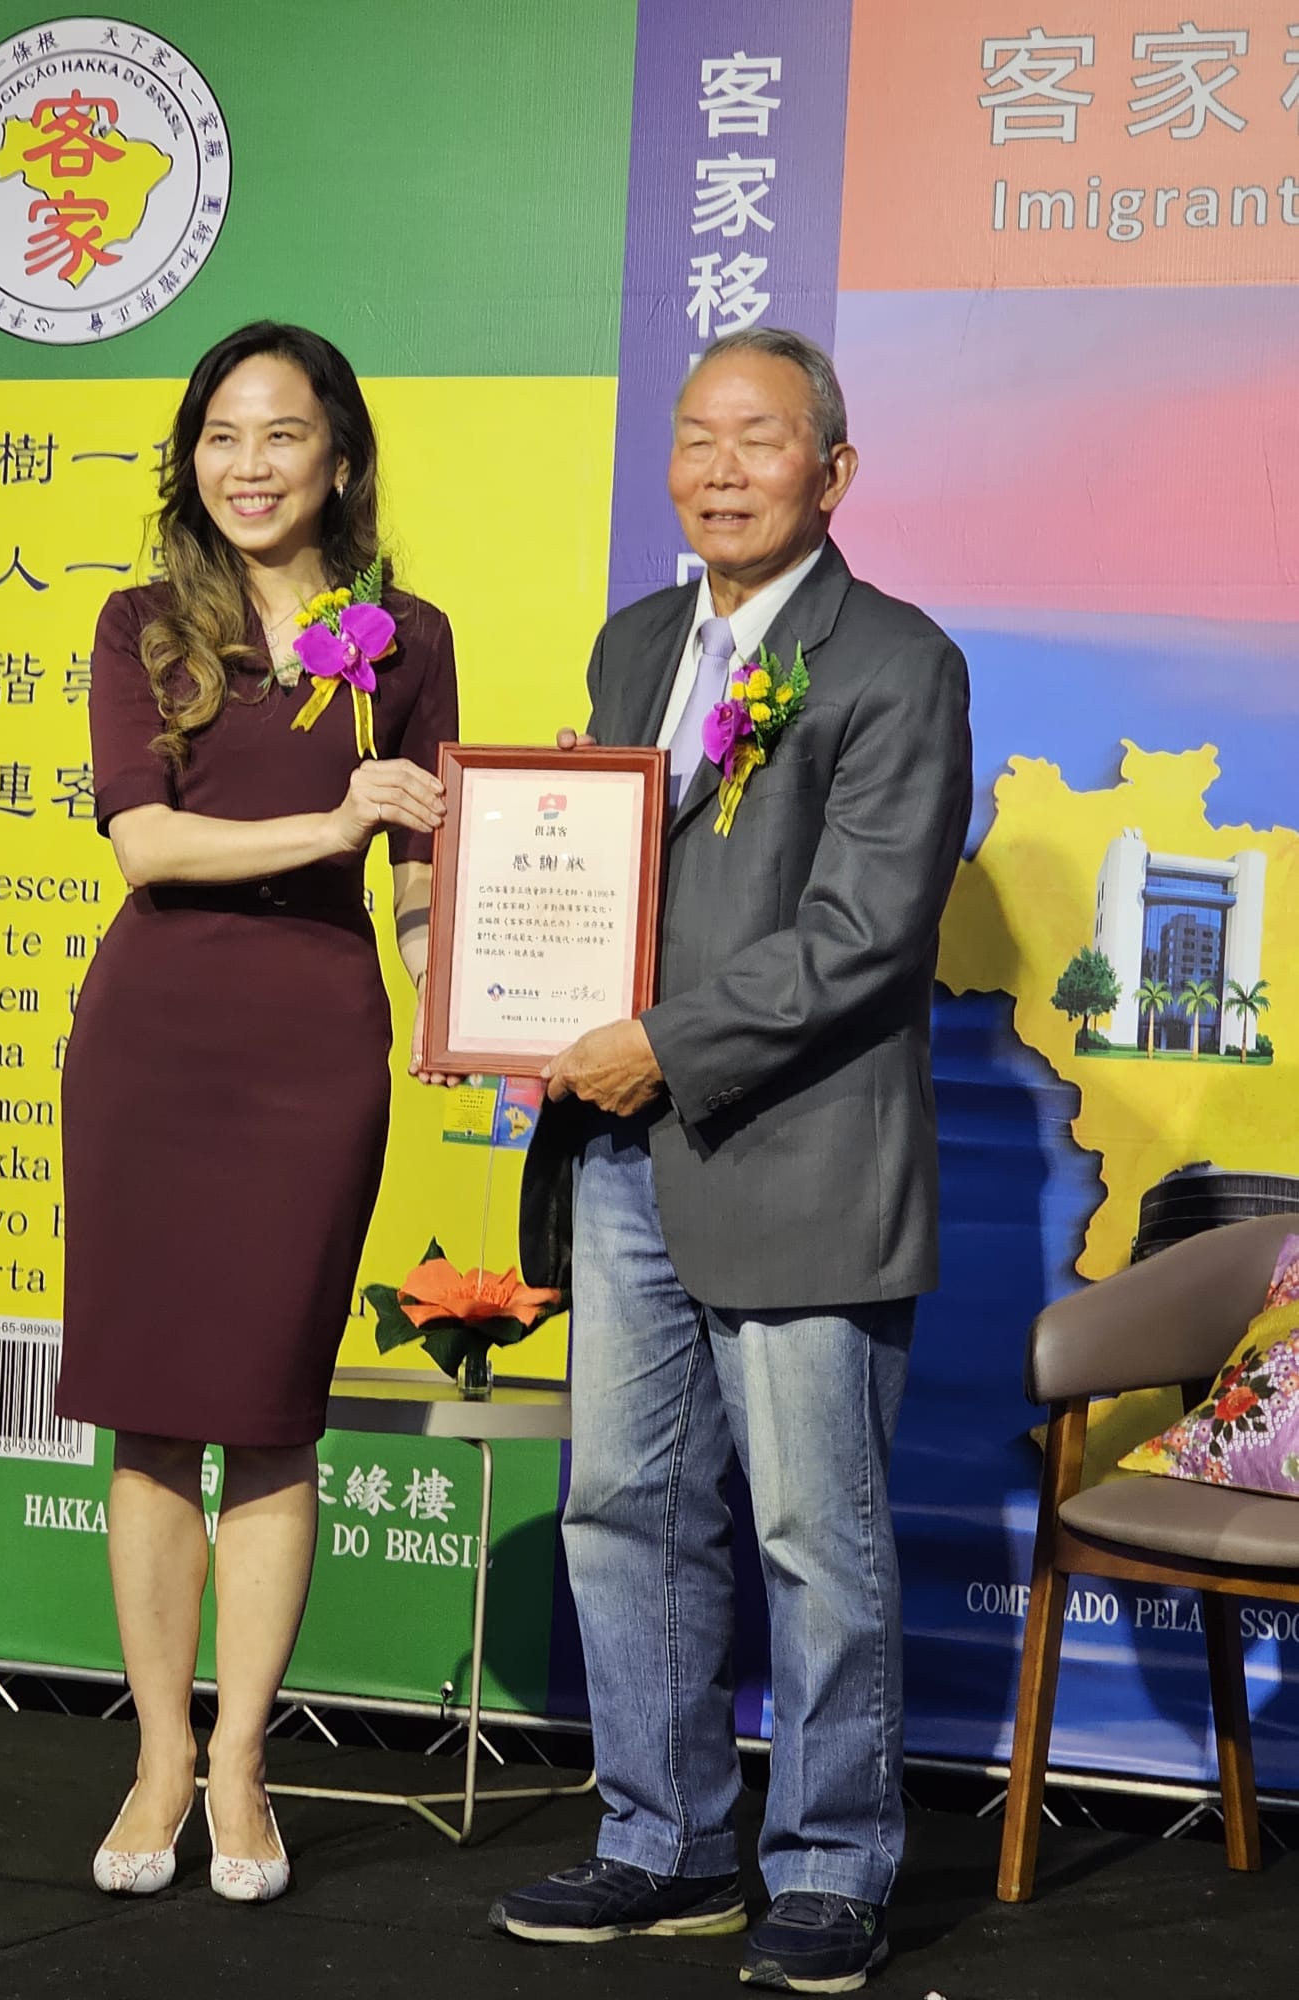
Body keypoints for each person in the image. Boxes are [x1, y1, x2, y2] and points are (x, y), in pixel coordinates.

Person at [492, 327, 972, 1992]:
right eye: (697, 437)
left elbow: (862, 936)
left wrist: (660, 1041)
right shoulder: (637, 642)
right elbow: (609, 878)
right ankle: (665, 1843)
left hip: (803, 1160)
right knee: (622, 1510)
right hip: (626, 1155)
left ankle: (831, 1867)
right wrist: (513, 946)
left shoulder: (898, 662)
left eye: (759, 439)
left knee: (814, 1538)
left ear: (833, 472)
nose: (719, 468)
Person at [55, 321, 456, 1903]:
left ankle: (241, 1763)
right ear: (191, 457)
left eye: (280, 434)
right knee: (153, 1418)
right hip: (154, 1040)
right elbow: (146, 844)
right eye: (221, 435)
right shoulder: (141, 624)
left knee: (276, 1414)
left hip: (314, 1047)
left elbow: (417, 866)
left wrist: (451, 996)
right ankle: (159, 1753)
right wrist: (332, 820)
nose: (249, 464)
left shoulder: (409, 637)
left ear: (338, 458)